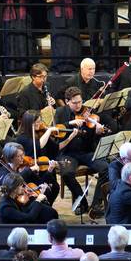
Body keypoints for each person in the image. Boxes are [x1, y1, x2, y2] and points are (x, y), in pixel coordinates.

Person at [54, 86, 110, 214]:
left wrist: (97, 132)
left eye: (80, 101)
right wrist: (71, 123)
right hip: (67, 153)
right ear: (67, 101)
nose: (79, 105)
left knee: (106, 168)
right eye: (75, 103)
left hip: (86, 152)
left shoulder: (88, 112)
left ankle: (96, 204)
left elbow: (92, 137)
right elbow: (57, 130)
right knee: (66, 173)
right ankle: (81, 201)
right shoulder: (60, 112)